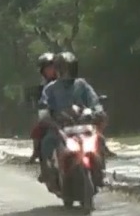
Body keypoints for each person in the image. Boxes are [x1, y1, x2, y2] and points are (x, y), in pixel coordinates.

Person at [37, 51, 106, 185]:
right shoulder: (50, 89)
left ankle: (100, 172)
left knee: (100, 139)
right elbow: (43, 107)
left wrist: (97, 111)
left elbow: (94, 102)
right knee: (46, 142)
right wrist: (47, 117)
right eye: (63, 69)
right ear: (57, 70)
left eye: (69, 68)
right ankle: (50, 174)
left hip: (83, 125)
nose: (66, 72)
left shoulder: (82, 85)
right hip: (60, 128)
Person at [28, 52, 58, 164]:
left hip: (70, 113)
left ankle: (102, 148)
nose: (51, 70)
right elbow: (41, 101)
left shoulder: (68, 81)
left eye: (53, 67)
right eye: (48, 68)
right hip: (53, 114)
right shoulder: (45, 86)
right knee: (38, 130)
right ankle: (37, 153)